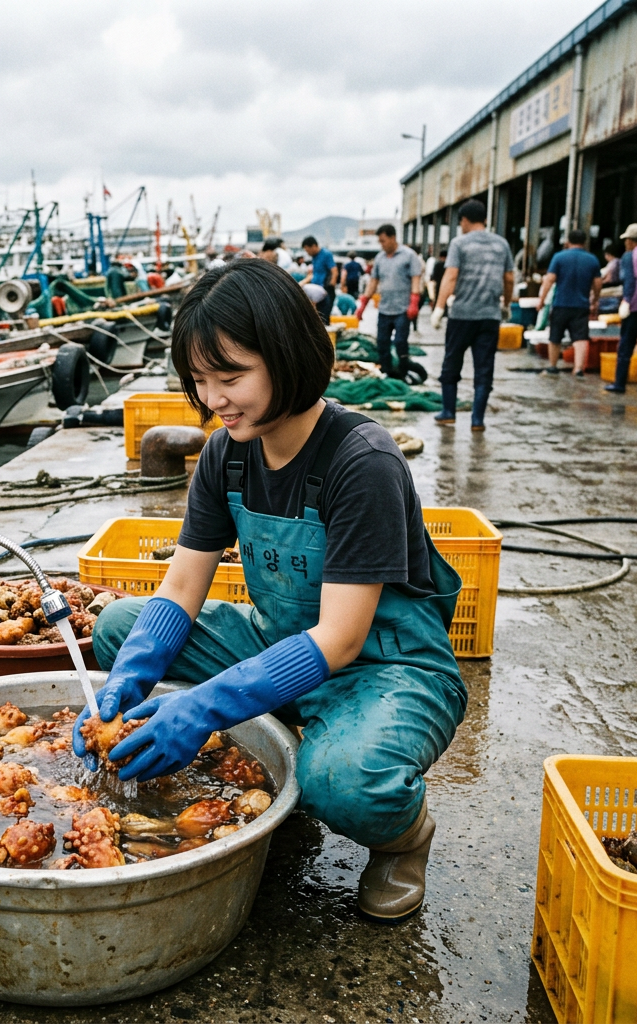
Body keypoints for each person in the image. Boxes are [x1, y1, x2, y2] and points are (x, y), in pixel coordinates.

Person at [73, 259, 466, 924]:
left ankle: (405, 838)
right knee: (117, 628)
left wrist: (201, 709)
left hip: (386, 665)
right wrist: (131, 676)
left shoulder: (360, 461)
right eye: (200, 381)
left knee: (341, 782)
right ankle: (283, 720)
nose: (214, 398)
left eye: (231, 377)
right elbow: (182, 584)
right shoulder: (229, 451)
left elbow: (341, 638)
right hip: (282, 642)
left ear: (287, 356)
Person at [430, 199, 514, 430]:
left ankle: (448, 412)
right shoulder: (502, 244)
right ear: (485, 219)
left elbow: (451, 276)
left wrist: (439, 307)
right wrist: (505, 303)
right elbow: (509, 278)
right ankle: (477, 419)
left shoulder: (459, 243)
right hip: (490, 315)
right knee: (484, 367)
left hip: (462, 316)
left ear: (464, 221)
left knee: (451, 363)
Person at [357, 224, 421, 378]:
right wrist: (363, 305)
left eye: (383, 241)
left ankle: (403, 372)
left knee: (400, 342)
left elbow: (416, 279)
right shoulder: (380, 258)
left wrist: (414, 302)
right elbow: (373, 282)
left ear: (393, 238)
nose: (382, 245)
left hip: (402, 309)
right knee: (382, 343)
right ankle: (387, 372)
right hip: (385, 308)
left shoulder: (409, 255)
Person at [538, 229, 602, 377]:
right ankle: (578, 369)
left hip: (561, 303)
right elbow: (598, 283)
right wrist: (595, 300)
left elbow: (549, 280)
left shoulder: (559, 257)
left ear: (568, 242)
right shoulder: (592, 259)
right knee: (580, 338)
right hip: (581, 305)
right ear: (584, 242)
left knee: (555, 337)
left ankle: (553, 367)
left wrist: (542, 301)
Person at [606, 223, 637, 394]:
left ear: (631, 241)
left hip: (635, 306)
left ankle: (619, 383)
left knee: (626, 345)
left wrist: (626, 301)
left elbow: (629, 281)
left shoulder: (629, 256)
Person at [301, 236, 337, 324]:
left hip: (325, 290)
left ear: (313, 246)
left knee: (324, 317)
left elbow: (334, 271)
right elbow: (313, 273)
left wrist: (330, 287)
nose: (307, 252)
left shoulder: (326, 254)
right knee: (317, 318)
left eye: (307, 250)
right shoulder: (314, 257)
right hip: (316, 291)